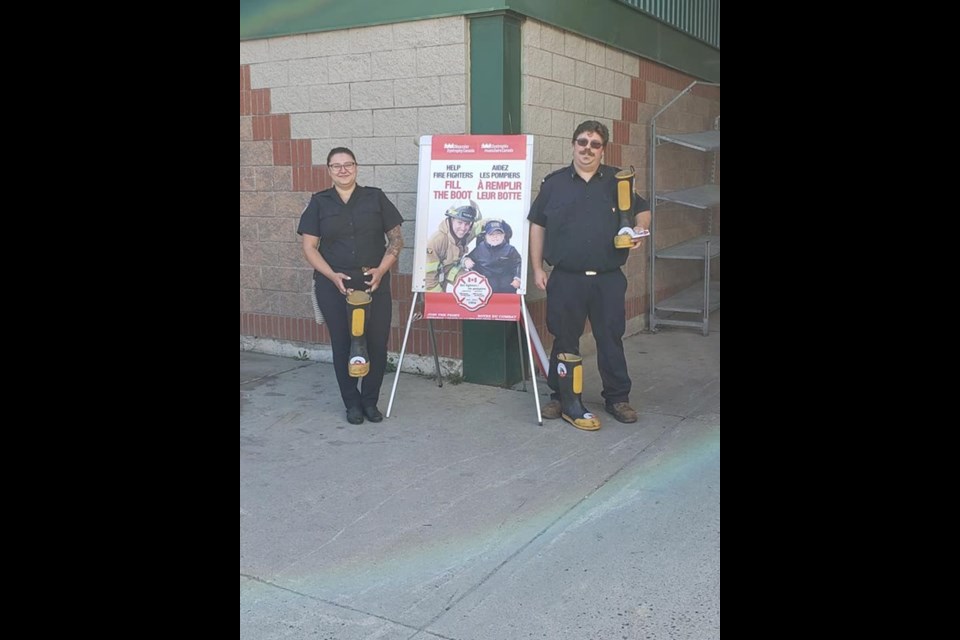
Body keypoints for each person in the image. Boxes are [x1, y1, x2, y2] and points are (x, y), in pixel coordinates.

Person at [527, 121, 651, 430]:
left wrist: (638, 230)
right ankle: (561, 395)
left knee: (610, 338)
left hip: (608, 278)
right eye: (582, 141)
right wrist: (537, 268)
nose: (587, 148)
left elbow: (643, 209)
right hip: (566, 278)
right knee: (564, 339)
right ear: (572, 144)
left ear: (603, 149)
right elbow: (537, 226)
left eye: (595, 144)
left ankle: (617, 398)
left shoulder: (618, 180)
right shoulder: (554, 184)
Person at [297, 147, 404, 425]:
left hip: (373, 280)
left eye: (348, 164)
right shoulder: (319, 202)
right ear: (329, 170)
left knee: (376, 343)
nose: (343, 170)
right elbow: (309, 247)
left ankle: (370, 401)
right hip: (334, 283)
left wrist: (382, 270)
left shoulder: (375, 197)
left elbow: (396, 240)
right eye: (336, 166)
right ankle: (352, 403)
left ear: (356, 167)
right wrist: (332, 275)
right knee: (343, 343)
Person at [424, 201, 481, 292]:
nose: (463, 228)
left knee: (472, 286)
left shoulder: (466, 234)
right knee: (438, 302)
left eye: (467, 224)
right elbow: (429, 276)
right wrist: (441, 299)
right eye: (460, 222)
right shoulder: (436, 241)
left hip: (450, 270)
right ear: (451, 220)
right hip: (434, 278)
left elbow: (480, 226)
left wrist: (498, 225)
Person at [463, 219, 522, 293]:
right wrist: (466, 261)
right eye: (491, 234)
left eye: (498, 234)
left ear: (503, 235)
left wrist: (518, 279)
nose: (495, 237)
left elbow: (519, 264)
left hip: (507, 290)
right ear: (486, 236)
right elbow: (467, 258)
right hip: (485, 291)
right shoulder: (480, 248)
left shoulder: (510, 250)